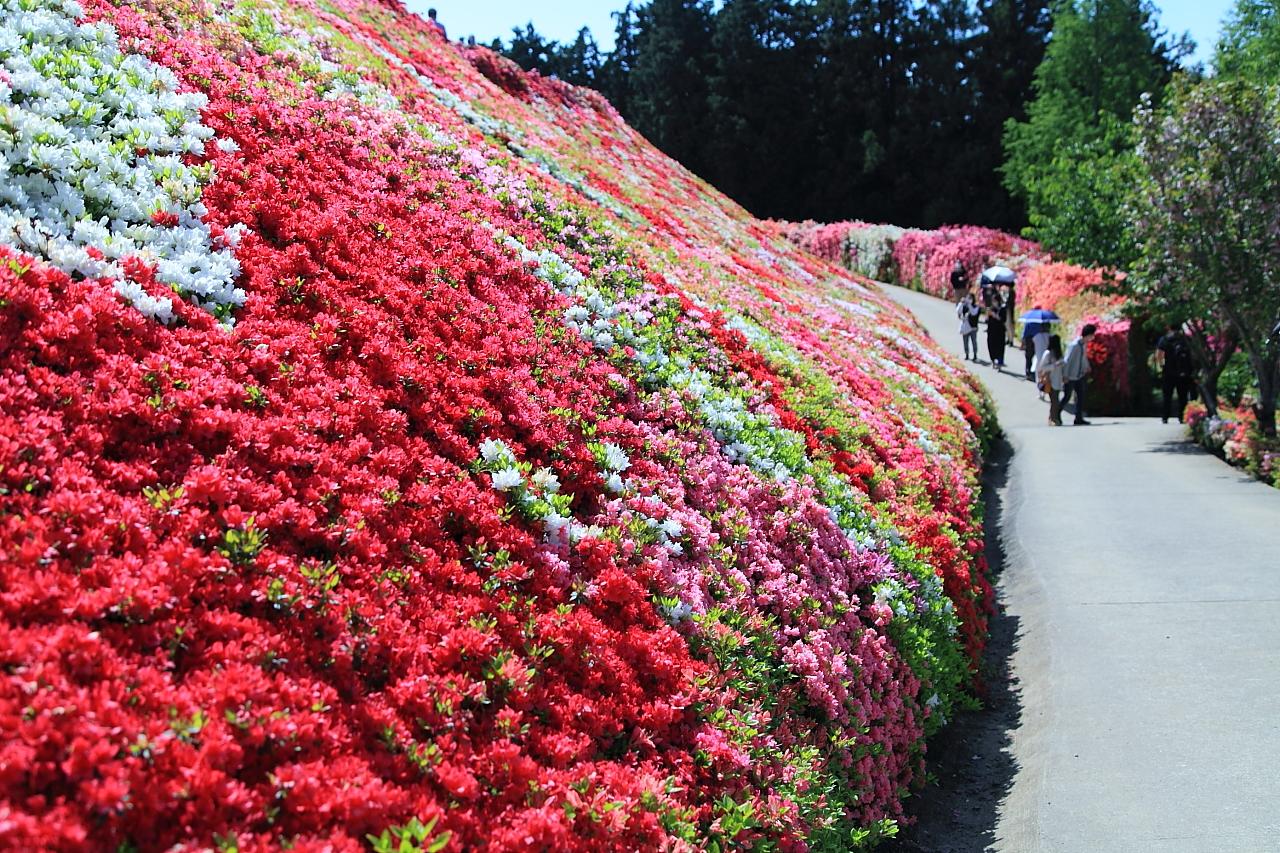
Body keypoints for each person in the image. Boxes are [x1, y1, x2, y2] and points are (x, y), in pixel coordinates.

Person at [1155, 323, 1195, 423]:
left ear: (1169, 327)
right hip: (1183, 372)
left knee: (1167, 395)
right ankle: (1181, 417)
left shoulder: (1164, 339)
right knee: (1183, 396)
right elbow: (1192, 354)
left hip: (1168, 371)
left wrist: (1161, 366)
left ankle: (1165, 416)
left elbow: (1160, 355)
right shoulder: (1185, 339)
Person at [1060, 323, 1097, 425]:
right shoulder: (1074, 345)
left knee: (1080, 396)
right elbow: (1067, 361)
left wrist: (1087, 366)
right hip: (1071, 376)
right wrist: (1065, 375)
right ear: (1088, 335)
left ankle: (1078, 418)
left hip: (1079, 375)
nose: (1092, 337)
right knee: (1067, 396)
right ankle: (1056, 413)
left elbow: (1083, 358)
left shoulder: (1083, 345)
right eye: (1092, 335)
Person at [1037, 335, 1066, 425]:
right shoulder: (1048, 354)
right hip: (1050, 380)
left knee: (1055, 400)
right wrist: (1054, 365)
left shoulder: (1059, 354)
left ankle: (1052, 418)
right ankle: (1053, 419)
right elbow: (1042, 367)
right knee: (1054, 401)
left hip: (1057, 380)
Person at [986, 293, 1008, 369]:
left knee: (1000, 347)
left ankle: (1000, 362)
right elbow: (987, 320)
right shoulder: (991, 308)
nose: (994, 302)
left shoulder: (1002, 309)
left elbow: (1003, 320)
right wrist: (988, 314)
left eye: (995, 301)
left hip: (1000, 331)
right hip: (991, 330)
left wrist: (995, 315)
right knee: (991, 345)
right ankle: (993, 361)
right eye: (993, 301)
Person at [957, 293, 981, 361]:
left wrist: (969, 305)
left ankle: (975, 355)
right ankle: (967, 354)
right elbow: (958, 311)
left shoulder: (976, 306)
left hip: (973, 327)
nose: (968, 300)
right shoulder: (964, 306)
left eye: (970, 298)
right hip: (965, 327)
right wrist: (961, 303)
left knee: (974, 341)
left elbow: (973, 313)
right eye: (968, 298)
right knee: (965, 341)